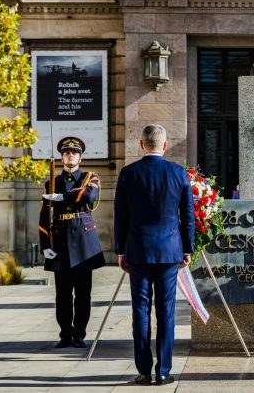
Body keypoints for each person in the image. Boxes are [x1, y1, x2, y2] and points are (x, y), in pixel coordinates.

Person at [114, 124, 194, 386]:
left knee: (140, 310)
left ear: (141, 145)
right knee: (166, 311)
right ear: (165, 145)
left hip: (137, 251)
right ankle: (163, 370)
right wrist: (187, 248)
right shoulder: (178, 173)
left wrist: (120, 250)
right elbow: (188, 217)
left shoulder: (128, 173)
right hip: (170, 251)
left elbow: (121, 216)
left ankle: (143, 370)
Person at [38, 136, 104, 348]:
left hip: (83, 242)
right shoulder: (50, 182)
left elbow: (88, 196)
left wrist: (61, 198)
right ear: (62, 157)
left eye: (74, 153)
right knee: (63, 295)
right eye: (66, 153)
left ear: (80, 157)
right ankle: (65, 334)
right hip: (60, 241)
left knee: (83, 294)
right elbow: (43, 217)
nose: (70, 155)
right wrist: (45, 245)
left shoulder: (89, 177)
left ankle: (80, 334)